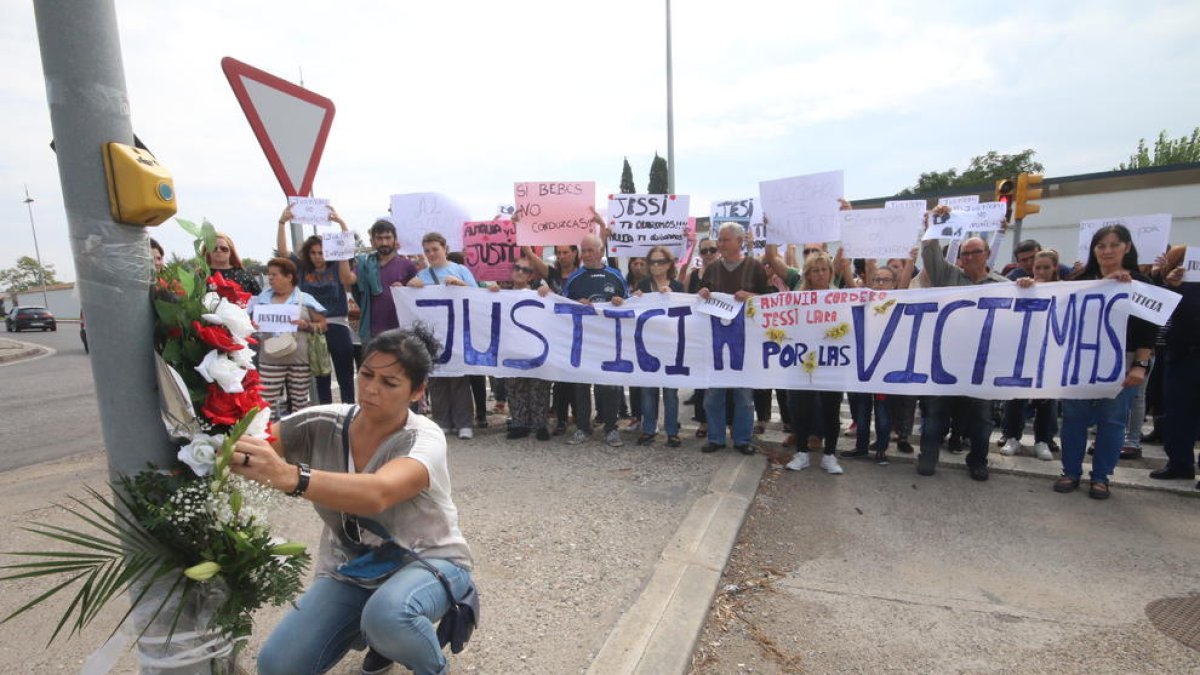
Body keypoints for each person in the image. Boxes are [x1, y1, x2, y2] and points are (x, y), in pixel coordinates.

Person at [241, 326, 474, 675]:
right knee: (277, 666)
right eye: (366, 374)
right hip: (351, 573)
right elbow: (256, 444)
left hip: (427, 560)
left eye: (389, 383)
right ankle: (380, 636)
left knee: (390, 616)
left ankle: (426, 662)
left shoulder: (424, 436)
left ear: (418, 391)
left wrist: (292, 477)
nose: (370, 389)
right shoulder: (322, 421)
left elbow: (377, 493)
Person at [1049, 225, 1155, 499]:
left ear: (1127, 247)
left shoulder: (1141, 284)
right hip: (1080, 360)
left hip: (1124, 362)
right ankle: (1070, 471)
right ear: (1093, 250)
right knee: (1073, 418)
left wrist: (1140, 366)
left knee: (1113, 419)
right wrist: (1027, 286)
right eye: (1101, 246)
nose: (1107, 251)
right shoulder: (1081, 280)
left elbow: (1148, 331)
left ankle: (1101, 477)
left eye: (1113, 245)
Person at [917, 225, 1009, 481]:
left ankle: (978, 460)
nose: (968, 258)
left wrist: (1028, 285)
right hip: (946, 361)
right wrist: (932, 227)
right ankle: (928, 455)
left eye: (975, 252)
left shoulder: (1004, 285)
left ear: (987, 253)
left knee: (981, 419)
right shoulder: (949, 276)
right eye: (964, 254)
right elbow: (931, 254)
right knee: (936, 413)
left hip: (983, 365)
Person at [539, 233, 629, 447]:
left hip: (608, 341)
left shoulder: (615, 276)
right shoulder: (575, 278)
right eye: (584, 250)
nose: (587, 254)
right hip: (581, 341)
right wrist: (574, 302)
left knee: (609, 386)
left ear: (600, 251)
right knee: (580, 385)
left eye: (591, 250)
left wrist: (620, 302)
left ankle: (611, 429)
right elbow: (561, 306)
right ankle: (582, 428)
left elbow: (630, 305)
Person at [764, 244, 846, 475]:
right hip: (800, 361)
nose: (820, 274)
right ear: (808, 274)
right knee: (800, 408)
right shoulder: (796, 297)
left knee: (831, 408)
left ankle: (829, 455)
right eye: (815, 270)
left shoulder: (840, 295)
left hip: (831, 361)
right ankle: (802, 454)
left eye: (824, 269)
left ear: (831, 273)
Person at [696, 222, 770, 455]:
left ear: (739, 241)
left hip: (745, 343)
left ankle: (742, 439)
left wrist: (751, 296)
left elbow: (768, 301)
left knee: (744, 396)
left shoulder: (755, 267)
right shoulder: (712, 269)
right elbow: (700, 297)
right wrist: (703, 293)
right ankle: (716, 438)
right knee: (713, 395)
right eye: (719, 240)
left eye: (725, 240)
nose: (720, 244)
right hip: (716, 343)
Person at [277, 204, 357, 405]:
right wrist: (282, 222)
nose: (317, 256)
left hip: (337, 323)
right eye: (313, 252)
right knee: (321, 375)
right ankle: (324, 412)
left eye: (321, 252)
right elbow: (283, 252)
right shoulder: (302, 269)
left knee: (344, 372)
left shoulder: (337, 265)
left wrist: (341, 223)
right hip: (312, 326)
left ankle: (348, 410)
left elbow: (346, 249)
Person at [407, 233, 481, 440]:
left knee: (459, 378)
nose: (431, 254)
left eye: (435, 249)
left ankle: (464, 422)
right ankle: (442, 421)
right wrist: (410, 287)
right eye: (427, 251)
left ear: (445, 249)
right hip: (433, 334)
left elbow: (477, 296)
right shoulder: (422, 275)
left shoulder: (460, 270)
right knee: (437, 378)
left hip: (457, 331)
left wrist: (460, 284)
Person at [249, 258, 327, 421]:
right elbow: (248, 324)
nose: (269, 278)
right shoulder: (261, 300)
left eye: (274, 275)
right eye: (269, 275)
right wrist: (253, 326)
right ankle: (270, 438)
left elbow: (323, 325)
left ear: (289, 276)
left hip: (299, 360)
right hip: (270, 359)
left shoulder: (305, 299)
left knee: (300, 404)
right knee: (266, 405)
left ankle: (297, 438)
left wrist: (306, 325)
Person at [1005, 250, 1063, 461]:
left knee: (1047, 398)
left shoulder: (1064, 289)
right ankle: (1012, 437)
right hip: (1023, 350)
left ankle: (1042, 440)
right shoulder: (1024, 287)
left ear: (1055, 268)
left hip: (1050, 351)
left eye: (1046, 267)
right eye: (1038, 267)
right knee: (1016, 397)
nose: (1041, 271)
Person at [1150, 245, 1200, 486]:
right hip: (1180, 356)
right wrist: (1168, 285)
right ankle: (1179, 463)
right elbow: (1158, 312)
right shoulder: (1179, 283)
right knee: (1177, 413)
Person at [841, 263, 899, 465]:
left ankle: (881, 449)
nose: (881, 284)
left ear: (894, 284)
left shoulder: (900, 303)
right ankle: (861, 447)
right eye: (877, 280)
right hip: (863, 367)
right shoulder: (864, 301)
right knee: (862, 410)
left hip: (884, 369)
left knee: (883, 412)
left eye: (885, 280)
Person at [521, 242, 581, 436]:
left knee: (578, 379)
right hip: (556, 335)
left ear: (574, 253)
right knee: (561, 380)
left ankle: (580, 417)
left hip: (578, 333)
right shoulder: (552, 275)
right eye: (558, 253)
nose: (562, 256)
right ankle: (561, 419)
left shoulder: (582, 274)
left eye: (565, 252)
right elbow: (530, 255)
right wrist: (521, 231)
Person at [491, 259, 552, 441]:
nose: (519, 272)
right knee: (515, 388)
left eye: (525, 270)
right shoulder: (501, 294)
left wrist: (547, 293)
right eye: (517, 268)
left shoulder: (537, 294)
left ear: (531, 275)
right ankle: (520, 423)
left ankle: (540, 424)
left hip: (535, 348)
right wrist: (490, 293)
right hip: (512, 348)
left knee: (538, 387)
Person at [634, 245, 684, 447]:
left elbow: (686, 313)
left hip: (671, 346)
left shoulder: (678, 286)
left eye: (660, 262)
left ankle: (672, 431)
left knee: (670, 391)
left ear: (669, 264)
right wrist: (633, 299)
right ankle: (649, 430)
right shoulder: (643, 285)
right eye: (652, 262)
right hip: (647, 345)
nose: (655, 266)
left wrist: (672, 297)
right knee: (648, 389)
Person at [349, 219, 418, 343]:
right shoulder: (364, 265)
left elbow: (419, 295)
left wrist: (407, 288)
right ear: (373, 241)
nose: (384, 242)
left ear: (395, 240)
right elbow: (347, 280)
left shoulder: (408, 266)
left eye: (387, 237)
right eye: (379, 238)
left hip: (401, 334)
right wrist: (341, 255)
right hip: (373, 334)